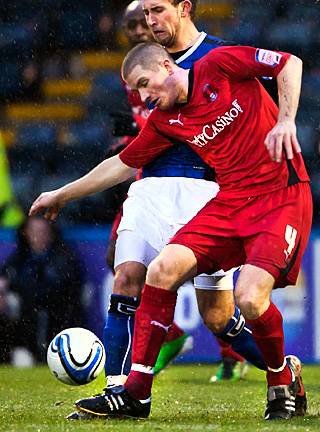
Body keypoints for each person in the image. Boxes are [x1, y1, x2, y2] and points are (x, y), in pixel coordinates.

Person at [29, 40, 311, 420]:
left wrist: (285, 120)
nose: (144, 97)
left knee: (247, 299)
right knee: (161, 270)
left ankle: (281, 381)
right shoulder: (166, 121)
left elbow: (289, 63)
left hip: (280, 196)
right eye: (138, 91)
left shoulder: (219, 64)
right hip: (229, 202)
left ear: (166, 65)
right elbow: (121, 164)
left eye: (146, 84)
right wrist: (62, 194)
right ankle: (136, 394)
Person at [101, 0, 265, 396]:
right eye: (138, 22)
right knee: (126, 277)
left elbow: (253, 110)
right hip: (151, 186)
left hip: (206, 192)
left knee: (217, 315)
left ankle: (279, 366)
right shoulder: (139, 75)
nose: (146, 26)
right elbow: (130, 144)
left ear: (182, 10)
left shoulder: (217, 56)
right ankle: (118, 387)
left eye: (154, 14)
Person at [0, 216, 85, 362]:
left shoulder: (64, 258)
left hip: (58, 326)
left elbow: (63, 292)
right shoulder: (18, 259)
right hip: (25, 328)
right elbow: (5, 281)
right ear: (25, 233)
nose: (39, 236)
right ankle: (14, 351)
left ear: (51, 233)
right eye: (34, 231)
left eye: (43, 231)